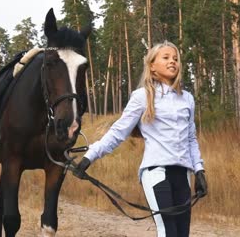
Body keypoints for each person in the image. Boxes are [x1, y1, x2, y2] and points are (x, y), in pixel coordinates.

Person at [74, 41, 207, 237]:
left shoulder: (187, 98)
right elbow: (118, 132)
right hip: (156, 172)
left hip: (183, 174)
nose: (173, 62)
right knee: (168, 231)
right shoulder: (142, 96)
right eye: (166, 57)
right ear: (152, 66)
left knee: (181, 233)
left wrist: (199, 170)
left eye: (176, 59)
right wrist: (89, 157)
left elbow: (191, 139)